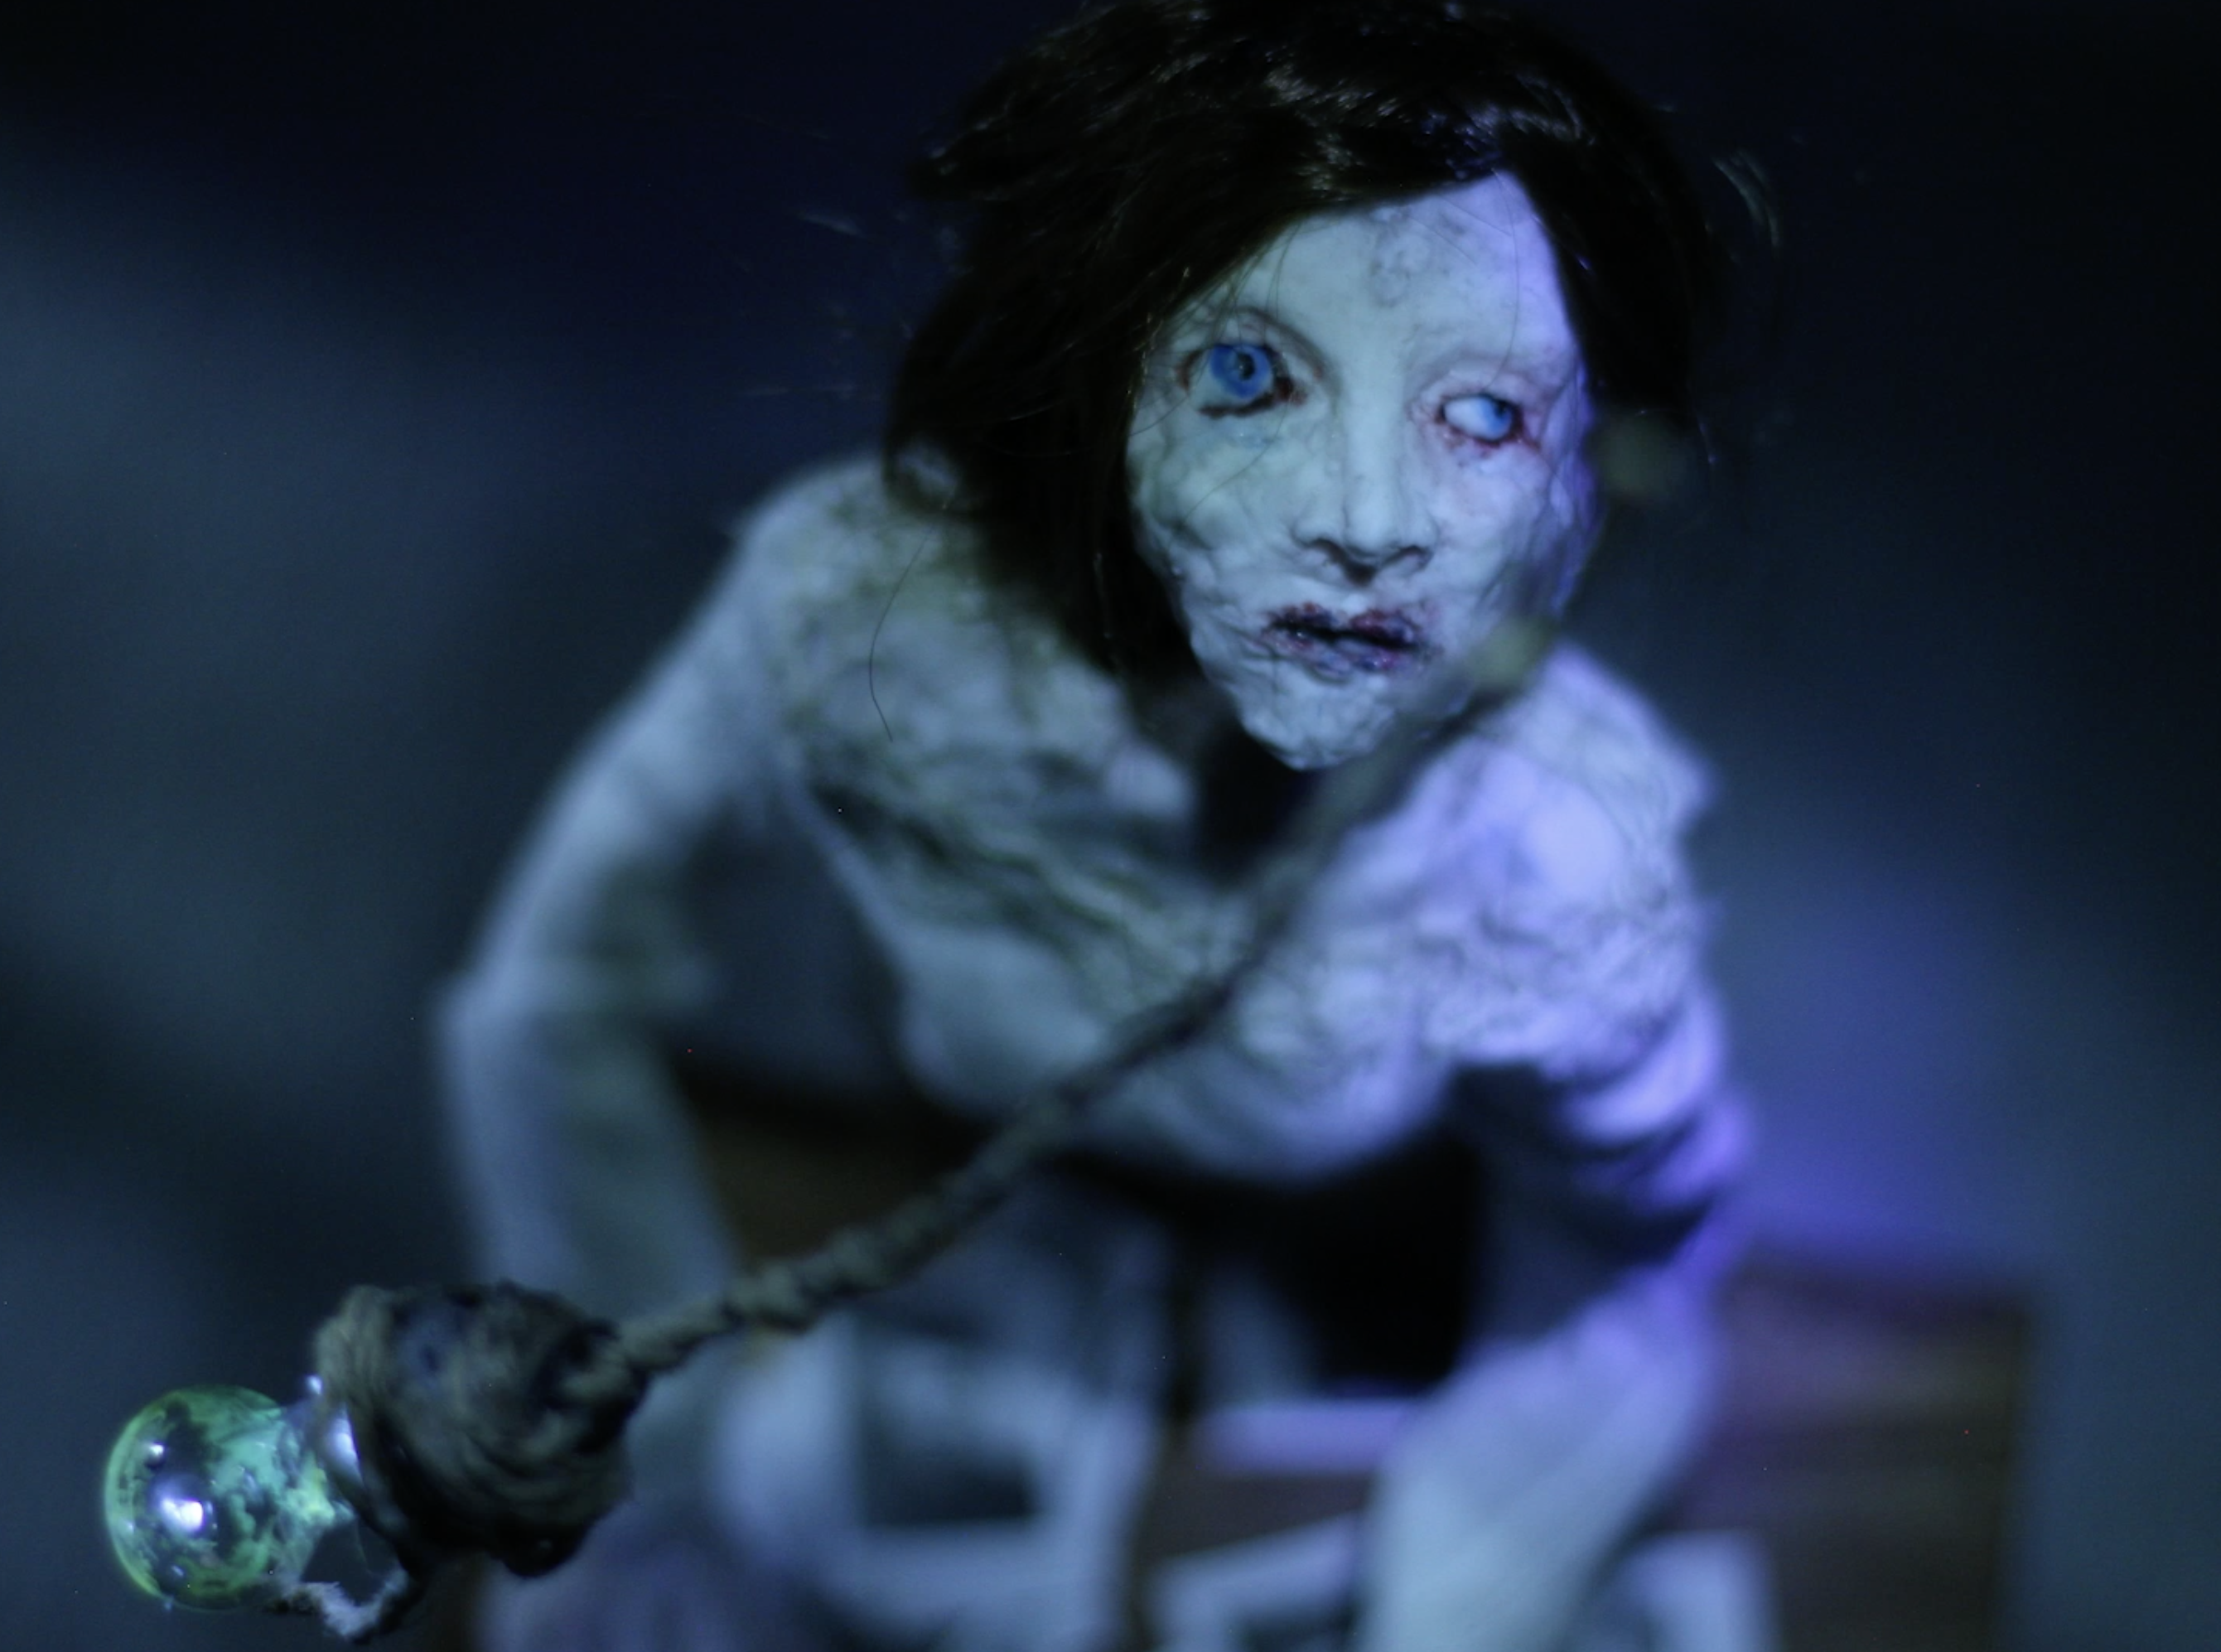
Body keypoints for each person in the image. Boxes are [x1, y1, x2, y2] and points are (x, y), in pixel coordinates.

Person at [437, 2, 1747, 1648]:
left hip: (1356, 1284)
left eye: (1483, 416)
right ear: (1109, 371)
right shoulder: (860, 630)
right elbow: (549, 1000)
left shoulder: (1551, 867)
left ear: (1587, 482)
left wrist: (1457, 1594)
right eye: (1250, 375)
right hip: (941, 1206)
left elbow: (1630, 1265)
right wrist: (657, 1454)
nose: (1362, 519)